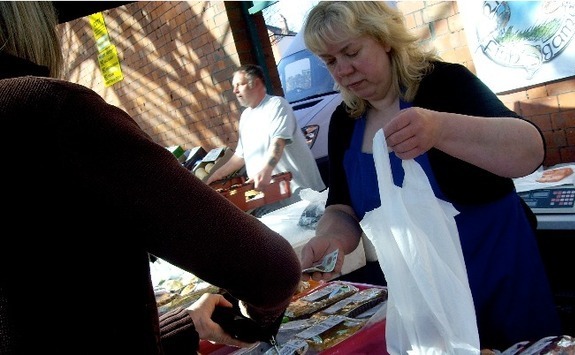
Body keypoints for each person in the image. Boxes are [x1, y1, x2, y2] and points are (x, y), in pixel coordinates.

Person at [0, 2, 301, 354]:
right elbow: (270, 270)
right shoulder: (47, 111)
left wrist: (189, 324)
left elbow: (45, 321)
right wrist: (257, 319)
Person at [298, 1, 562, 350]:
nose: (343, 69)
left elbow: (530, 151)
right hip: (426, 295)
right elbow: (341, 207)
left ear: (384, 39)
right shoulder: (345, 122)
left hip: (500, 274)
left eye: (351, 52)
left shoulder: (446, 83)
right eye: (331, 62)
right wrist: (332, 240)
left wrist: (440, 128)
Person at [206, 64, 326, 217]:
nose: (235, 91)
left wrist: (266, 169)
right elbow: (240, 156)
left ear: (256, 83)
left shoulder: (276, 105)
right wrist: (218, 174)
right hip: (268, 200)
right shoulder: (245, 117)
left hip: (299, 195)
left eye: (239, 85)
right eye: (233, 86)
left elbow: (279, 141)